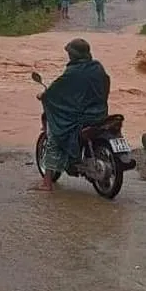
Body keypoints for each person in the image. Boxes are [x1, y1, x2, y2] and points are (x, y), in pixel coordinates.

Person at [31, 38, 110, 192]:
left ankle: (47, 184)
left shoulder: (73, 72)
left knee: (54, 137)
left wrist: (44, 96)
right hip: (99, 113)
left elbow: (57, 89)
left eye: (69, 53)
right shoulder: (97, 67)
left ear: (73, 55)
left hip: (80, 116)